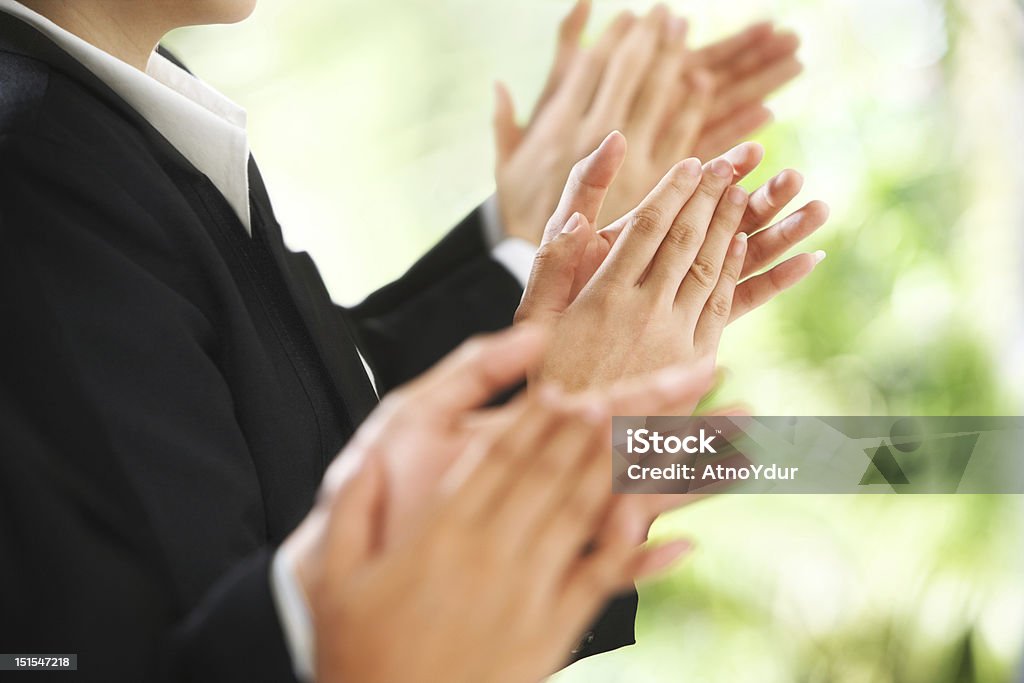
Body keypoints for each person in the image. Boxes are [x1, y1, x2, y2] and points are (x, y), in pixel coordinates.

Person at [0, 0, 828, 681]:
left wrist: (530, 244)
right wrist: (559, 430)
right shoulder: (35, 171)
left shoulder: (132, 97)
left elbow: (273, 422)